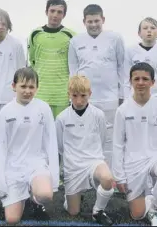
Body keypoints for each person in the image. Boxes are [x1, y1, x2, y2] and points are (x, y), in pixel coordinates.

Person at [0, 67, 59, 225]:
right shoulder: (6, 112)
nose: (27, 91)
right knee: (12, 219)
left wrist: (53, 176)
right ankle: (22, 197)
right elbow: (0, 147)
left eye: (31, 87)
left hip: (37, 164)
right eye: (23, 86)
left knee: (45, 195)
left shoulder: (44, 109)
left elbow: (51, 142)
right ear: (14, 86)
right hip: (13, 168)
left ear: (37, 88)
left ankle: (36, 201)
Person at [112, 62, 157, 226]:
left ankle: (155, 210)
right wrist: (119, 176)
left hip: (156, 158)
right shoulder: (123, 110)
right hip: (133, 163)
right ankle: (148, 198)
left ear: (153, 82)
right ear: (130, 81)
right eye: (137, 79)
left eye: (145, 79)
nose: (141, 82)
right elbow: (118, 145)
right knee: (138, 215)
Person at [68, 4, 125, 172]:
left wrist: (123, 94)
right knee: (85, 137)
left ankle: (109, 176)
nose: (93, 25)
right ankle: (86, 175)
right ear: (84, 22)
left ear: (103, 20)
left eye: (97, 21)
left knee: (109, 138)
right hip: (85, 99)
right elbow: (73, 70)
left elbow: (122, 67)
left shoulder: (115, 38)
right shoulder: (76, 41)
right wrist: (73, 96)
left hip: (110, 97)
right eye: (90, 21)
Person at [55, 75, 114, 226]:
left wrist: (95, 157)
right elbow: (61, 146)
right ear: (69, 94)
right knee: (73, 212)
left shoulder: (98, 115)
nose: (79, 100)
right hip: (73, 167)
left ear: (90, 94)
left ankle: (98, 211)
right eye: (74, 96)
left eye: (83, 96)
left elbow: (102, 139)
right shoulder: (61, 118)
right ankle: (73, 198)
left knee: (107, 178)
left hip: (94, 162)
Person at [27, 0, 75, 118]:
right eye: (52, 11)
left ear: (64, 15)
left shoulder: (71, 36)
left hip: (62, 95)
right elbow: (32, 62)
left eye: (59, 12)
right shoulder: (35, 34)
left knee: (60, 133)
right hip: (41, 93)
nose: (55, 15)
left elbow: (74, 65)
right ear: (46, 12)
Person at [124, 17, 157, 108]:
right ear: (139, 33)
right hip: (137, 97)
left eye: (153, 28)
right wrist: (127, 100)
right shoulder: (130, 50)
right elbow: (126, 80)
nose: (149, 31)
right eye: (145, 28)